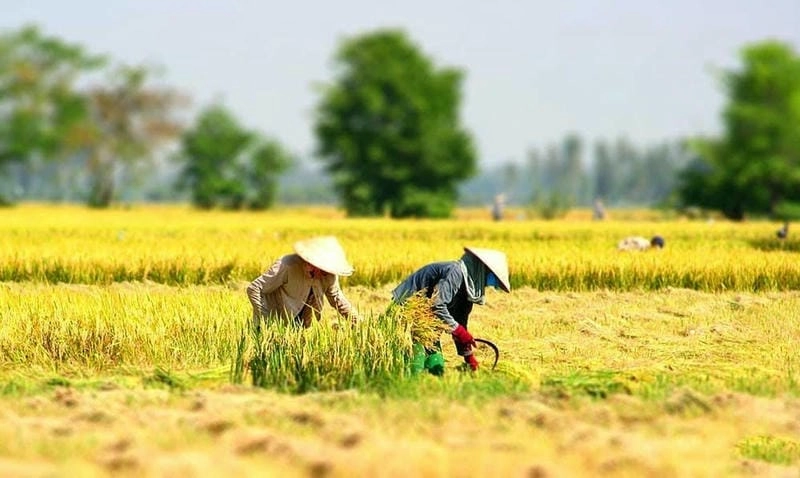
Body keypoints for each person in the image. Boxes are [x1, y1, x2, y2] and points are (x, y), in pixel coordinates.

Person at [391, 246, 511, 374]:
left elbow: (460, 322)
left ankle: (432, 385)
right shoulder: (455, 272)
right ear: (481, 270)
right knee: (417, 358)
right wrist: (459, 331)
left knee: (436, 365)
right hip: (409, 310)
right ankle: (410, 385)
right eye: (492, 278)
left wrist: (468, 356)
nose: (491, 284)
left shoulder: (468, 291)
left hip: (428, 320)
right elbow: (437, 304)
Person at [247, 236, 361, 330]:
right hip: (273, 321)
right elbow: (254, 288)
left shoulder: (329, 275)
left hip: (302, 325)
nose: (324, 275)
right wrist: (265, 316)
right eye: (322, 270)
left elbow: (337, 298)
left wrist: (357, 322)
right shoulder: (286, 265)